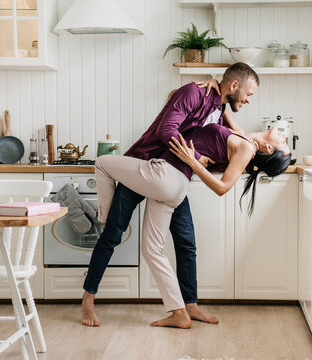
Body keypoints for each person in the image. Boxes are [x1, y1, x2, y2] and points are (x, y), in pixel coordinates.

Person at [82, 63, 260, 328]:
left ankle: (188, 307)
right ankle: (88, 299)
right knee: (112, 234)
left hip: (174, 177)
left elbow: (238, 137)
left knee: (185, 241)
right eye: (249, 93)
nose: (249, 100)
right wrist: (197, 157)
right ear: (234, 86)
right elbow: (167, 129)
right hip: (147, 164)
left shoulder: (218, 109)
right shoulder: (194, 92)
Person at [95, 119, 291, 328]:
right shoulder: (245, 138)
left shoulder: (247, 148)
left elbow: (222, 187)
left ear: (269, 148)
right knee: (152, 249)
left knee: (102, 163)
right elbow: (226, 106)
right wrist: (214, 88)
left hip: (168, 175)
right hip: (173, 182)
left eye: (283, 142)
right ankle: (180, 312)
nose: (284, 136)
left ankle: (105, 220)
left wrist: (193, 160)